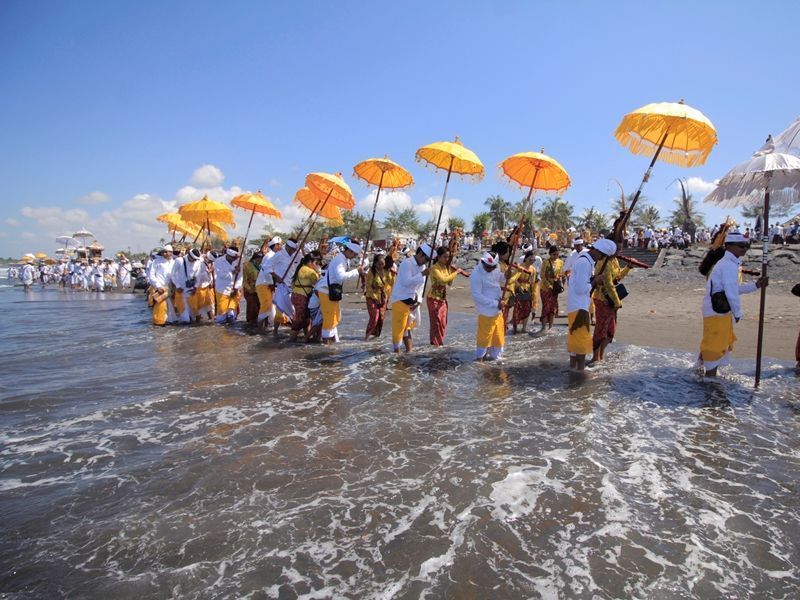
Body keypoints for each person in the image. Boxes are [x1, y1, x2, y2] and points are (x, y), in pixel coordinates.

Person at [698, 231, 768, 376]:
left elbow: (734, 289)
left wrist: (756, 286)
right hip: (716, 311)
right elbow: (731, 292)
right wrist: (737, 313)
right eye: (741, 246)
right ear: (729, 246)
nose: (744, 249)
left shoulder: (729, 264)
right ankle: (709, 380)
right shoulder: (728, 265)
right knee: (715, 346)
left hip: (716, 309)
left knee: (712, 340)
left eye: (746, 246)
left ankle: (697, 371)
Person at [566, 239, 617, 371]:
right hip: (579, 307)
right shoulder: (584, 263)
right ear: (598, 251)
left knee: (575, 337)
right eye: (602, 256)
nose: (601, 259)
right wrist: (594, 282)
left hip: (577, 305)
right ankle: (580, 371)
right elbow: (581, 288)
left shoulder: (586, 261)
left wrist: (593, 280)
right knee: (582, 339)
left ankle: (573, 367)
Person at [316, 241, 363, 344]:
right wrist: (356, 271)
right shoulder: (339, 260)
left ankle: (332, 341)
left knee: (335, 317)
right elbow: (341, 277)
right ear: (350, 251)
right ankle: (326, 346)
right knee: (329, 319)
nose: (355, 257)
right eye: (354, 254)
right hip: (326, 291)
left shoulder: (344, 259)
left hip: (332, 291)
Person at [590, 250, 632, 363]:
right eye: (618, 249)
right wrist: (617, 302)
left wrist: (628, 267)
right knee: (601, 329)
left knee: (610, 331)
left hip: (612, 300)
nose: (620, 251)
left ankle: (601, 354)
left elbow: (617, 278)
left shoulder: (615, 261)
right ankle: (595, 357)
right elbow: (608, 284)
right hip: (602, 299)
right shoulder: (604, 262)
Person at [388, 244, 432, 353]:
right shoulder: (407, 263)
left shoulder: (423, 267)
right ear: (420, 254)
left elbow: (421, 287)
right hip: (400, 299)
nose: (425, 262)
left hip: (412, 301)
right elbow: (407, 282)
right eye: (425, 259)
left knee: (408, 329)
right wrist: (421, 274)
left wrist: (419, 300)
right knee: (399, 328)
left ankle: (409, 352)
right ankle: (396, 353)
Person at [426, 246, 468, 346]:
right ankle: (436, 344)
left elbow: (449, 283)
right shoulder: (434, 268)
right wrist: (457, 272)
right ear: (439, 257)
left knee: (443, 322)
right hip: (433, 299)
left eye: (448, 257)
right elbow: (443, 280)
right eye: (445, 257)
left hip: (442, 299)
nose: (447, 259)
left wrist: (453, 272)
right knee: (436, 322)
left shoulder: (445, 267)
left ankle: (439, 342)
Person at [470, 252, 507, 361]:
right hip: (486, 311)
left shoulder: (496, 267)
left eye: (493, 267)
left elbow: (498, 278)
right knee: (484, 338)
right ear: (482, 262)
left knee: (498, 335)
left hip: (498, 309)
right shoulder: (476, 275)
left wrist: (505, 276)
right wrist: (495, 303)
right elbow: (477, 296)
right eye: (488, 267)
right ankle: (480, 359)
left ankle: (496, 357)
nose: (491, 269)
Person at [289, 253, 322, 341]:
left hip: (297, 294)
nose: (317, 265)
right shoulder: (308, 270)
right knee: (299, 319)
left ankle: (306, 337)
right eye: (316, 263)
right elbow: (317, 280)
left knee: (305, 318)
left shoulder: (302, 268)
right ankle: (292, 338)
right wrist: (318, 271)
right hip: (301, 296)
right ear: (310, 262)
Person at [213, 247, 244, 324]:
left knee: (232, 313)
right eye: (233, 258)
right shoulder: (218, 261)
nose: (235, 259)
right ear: (229, 255)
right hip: (222, 289)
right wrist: (233, 272)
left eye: (236, 258)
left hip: (235, 289)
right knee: (222, 314)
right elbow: (221, 275)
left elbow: (240, 277)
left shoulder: (238, 262)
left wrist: (236, 288)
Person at [537, 245, 563, 334]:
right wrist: (549, 285)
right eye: (554, 255)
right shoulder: (546, 262)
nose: (556, 257)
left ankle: (550, 327)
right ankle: (543, 327)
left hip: (555, 289)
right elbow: (542, 276)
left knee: (553, 308)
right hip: (545, 288)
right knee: (546, 307)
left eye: (557, 255)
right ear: (550, 254)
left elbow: (560, 274)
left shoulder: (560, 262)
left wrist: (560, 281)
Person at [147, 245, 175, 326]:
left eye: (169, 252)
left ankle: (170, 322)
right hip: (160, 288)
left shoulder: (174, 262)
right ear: (162, 253)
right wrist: (158, 286)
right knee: (160, 306)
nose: (167, 254)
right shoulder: (156, 262)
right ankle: (159, 323)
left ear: (172, 253)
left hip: (170, 288)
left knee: (171, 307)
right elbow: (151, 275)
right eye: (165, 252)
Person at [364, 253, 389, 340]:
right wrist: (375, 298)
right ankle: (366, 337)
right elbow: (368, 287)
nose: (381, 266)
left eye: (383, 264)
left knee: (381, 318)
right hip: (372, 297)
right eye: (379, 264)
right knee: (374, 317)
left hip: (383, 297)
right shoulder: (371, 272)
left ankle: (376, 336)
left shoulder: (386, 271)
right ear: (375, 264)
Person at [511, 251, 537, 334]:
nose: (532, 261)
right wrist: (518, 286)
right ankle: (515, 328)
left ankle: (524, 328)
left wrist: (533, 294)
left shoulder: (533, 269)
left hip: (528, 291)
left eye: (533, 259)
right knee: (517, 309)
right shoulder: (520, 267)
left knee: (527, 309)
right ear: (526, 258)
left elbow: (532, 282)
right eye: (530, 259)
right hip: (518, 290)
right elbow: (513, 279)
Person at [242, 251, 262, 325]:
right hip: (249, 289)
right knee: (252, 307)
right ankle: (250, 322)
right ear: (254, 258)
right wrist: (249, 288)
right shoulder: (246, 265)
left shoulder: (261, 266)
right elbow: (244, 280)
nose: (259, 261)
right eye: (258, 259)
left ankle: (256, 322)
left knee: (259, 307)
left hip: (259, 289)